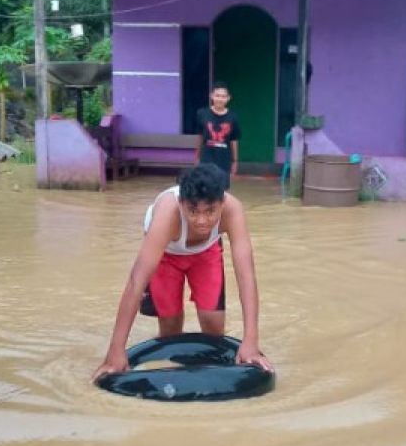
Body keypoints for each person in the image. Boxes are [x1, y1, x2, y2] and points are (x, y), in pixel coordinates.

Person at [92, 163, 272, 381]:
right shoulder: (167, 214)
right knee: (170, 327)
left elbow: (246, 275)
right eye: (193, 211)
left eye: (210, 211)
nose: (202, 220)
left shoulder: (233, 210)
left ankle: (208, 378)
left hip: (206, 253)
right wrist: (115, 351)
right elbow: (136, 282)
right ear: (181, 203)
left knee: (214, 325)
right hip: (166, 255)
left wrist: (251, 342)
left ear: (222, 203)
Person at [195, 83, 241, 188]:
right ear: (212, 96)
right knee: (203, 189)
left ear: (228, 98)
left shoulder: (233, 117)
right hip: (206, 158)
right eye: (217, 95)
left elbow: (234, 140)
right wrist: (197, 157)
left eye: (223, 96)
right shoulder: (202, 114)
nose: (220, 99)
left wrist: (235, 161)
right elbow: (200, 137)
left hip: (224, 159)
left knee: (222, 191)